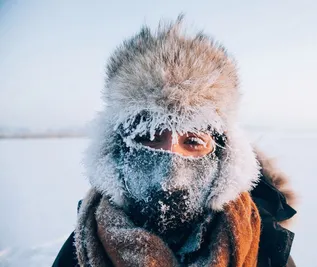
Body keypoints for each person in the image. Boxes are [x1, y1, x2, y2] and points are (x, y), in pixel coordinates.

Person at [53, 16, 297, 267]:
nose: (171, 176)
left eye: (193, 141)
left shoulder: (266, 249)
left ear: (222, 157)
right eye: (149, 137)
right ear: (118, 151)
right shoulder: (81, 249)